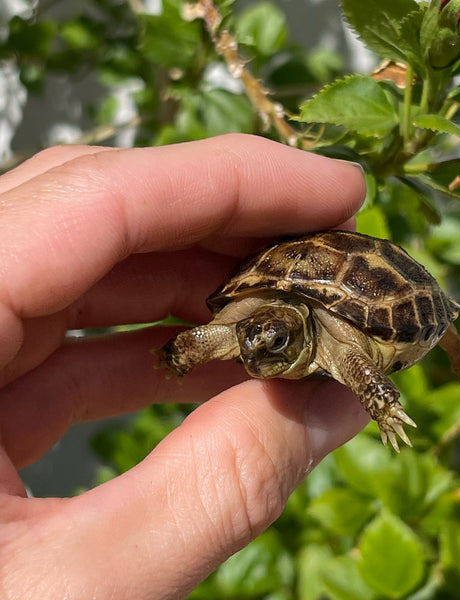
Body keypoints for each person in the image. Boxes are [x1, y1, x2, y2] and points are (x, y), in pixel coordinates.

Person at [0, 134, 369, 598]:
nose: (254, 352)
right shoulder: (248, 327)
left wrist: (378, 397)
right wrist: (182, 354)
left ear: (297, 332)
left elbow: (358, 359)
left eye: (272, 342)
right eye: (251, 336)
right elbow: (207, 336)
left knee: (363, 375)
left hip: (347, 313)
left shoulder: (337, 340)